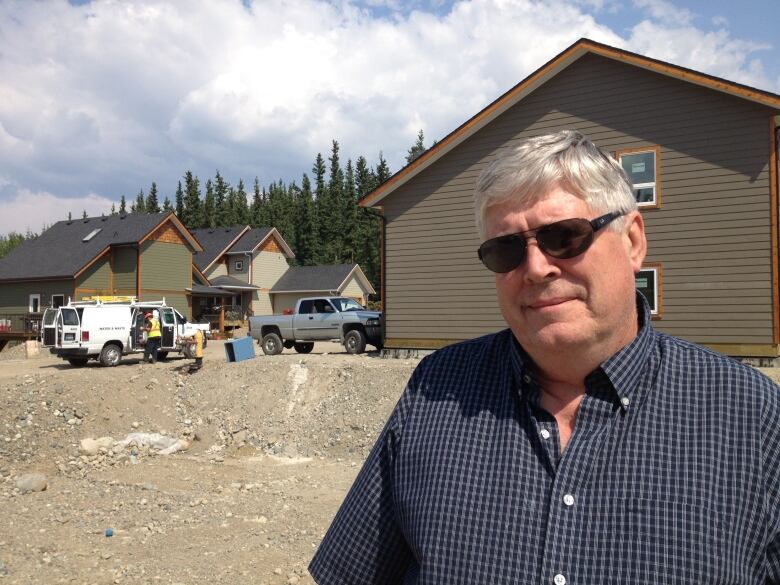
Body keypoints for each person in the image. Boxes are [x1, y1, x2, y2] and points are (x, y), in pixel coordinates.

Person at [309, 130, 780, 584]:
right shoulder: (435, 391)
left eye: (565, 236)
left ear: (633, 241)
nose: (535, 267)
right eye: (506, 249)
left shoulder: (751, 415)